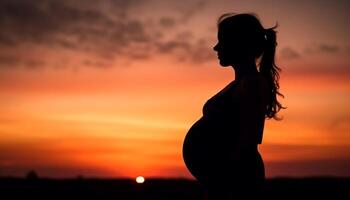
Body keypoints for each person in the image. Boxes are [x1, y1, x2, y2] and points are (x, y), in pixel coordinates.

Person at [182, 13, 285, 199]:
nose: (216, 47)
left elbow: (248, 141)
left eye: (221, 41)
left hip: (236, 182)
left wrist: (227, 185)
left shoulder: (252, 83)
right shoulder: (241, 83)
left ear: (238, 42)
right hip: (225, 180)